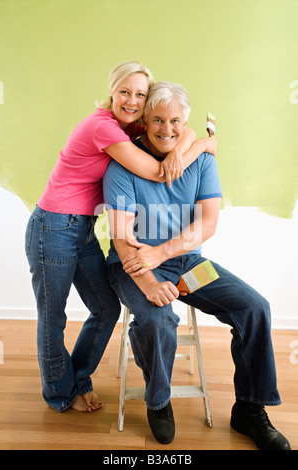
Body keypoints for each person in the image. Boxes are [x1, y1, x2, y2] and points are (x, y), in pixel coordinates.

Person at [103, 81, 291, 450]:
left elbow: (207, 224)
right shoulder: (123, 165)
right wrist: (150, 270)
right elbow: (122, 239)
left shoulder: (201, 160)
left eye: (175, 120)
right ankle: (158, 401)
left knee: (254, 308)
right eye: (157, 119)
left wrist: (163, 253)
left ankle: (250, 409)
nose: (167, 129)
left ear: (185, 119)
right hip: (133, 266)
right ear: (145, 120)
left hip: (188, 264)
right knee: (158, 318)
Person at [25, 60, 216, 414]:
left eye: (140, 94)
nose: (131, 100)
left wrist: (192, 142)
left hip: (87, 230)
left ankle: (78, 379)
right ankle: (61, 394)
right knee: (53, 317)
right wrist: (202, 147)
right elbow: (160, 173)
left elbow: (180, 128)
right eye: (124, 92)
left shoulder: (132, 126)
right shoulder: (104, 128)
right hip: (53, 226)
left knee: (105, 307)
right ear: (111, 91)